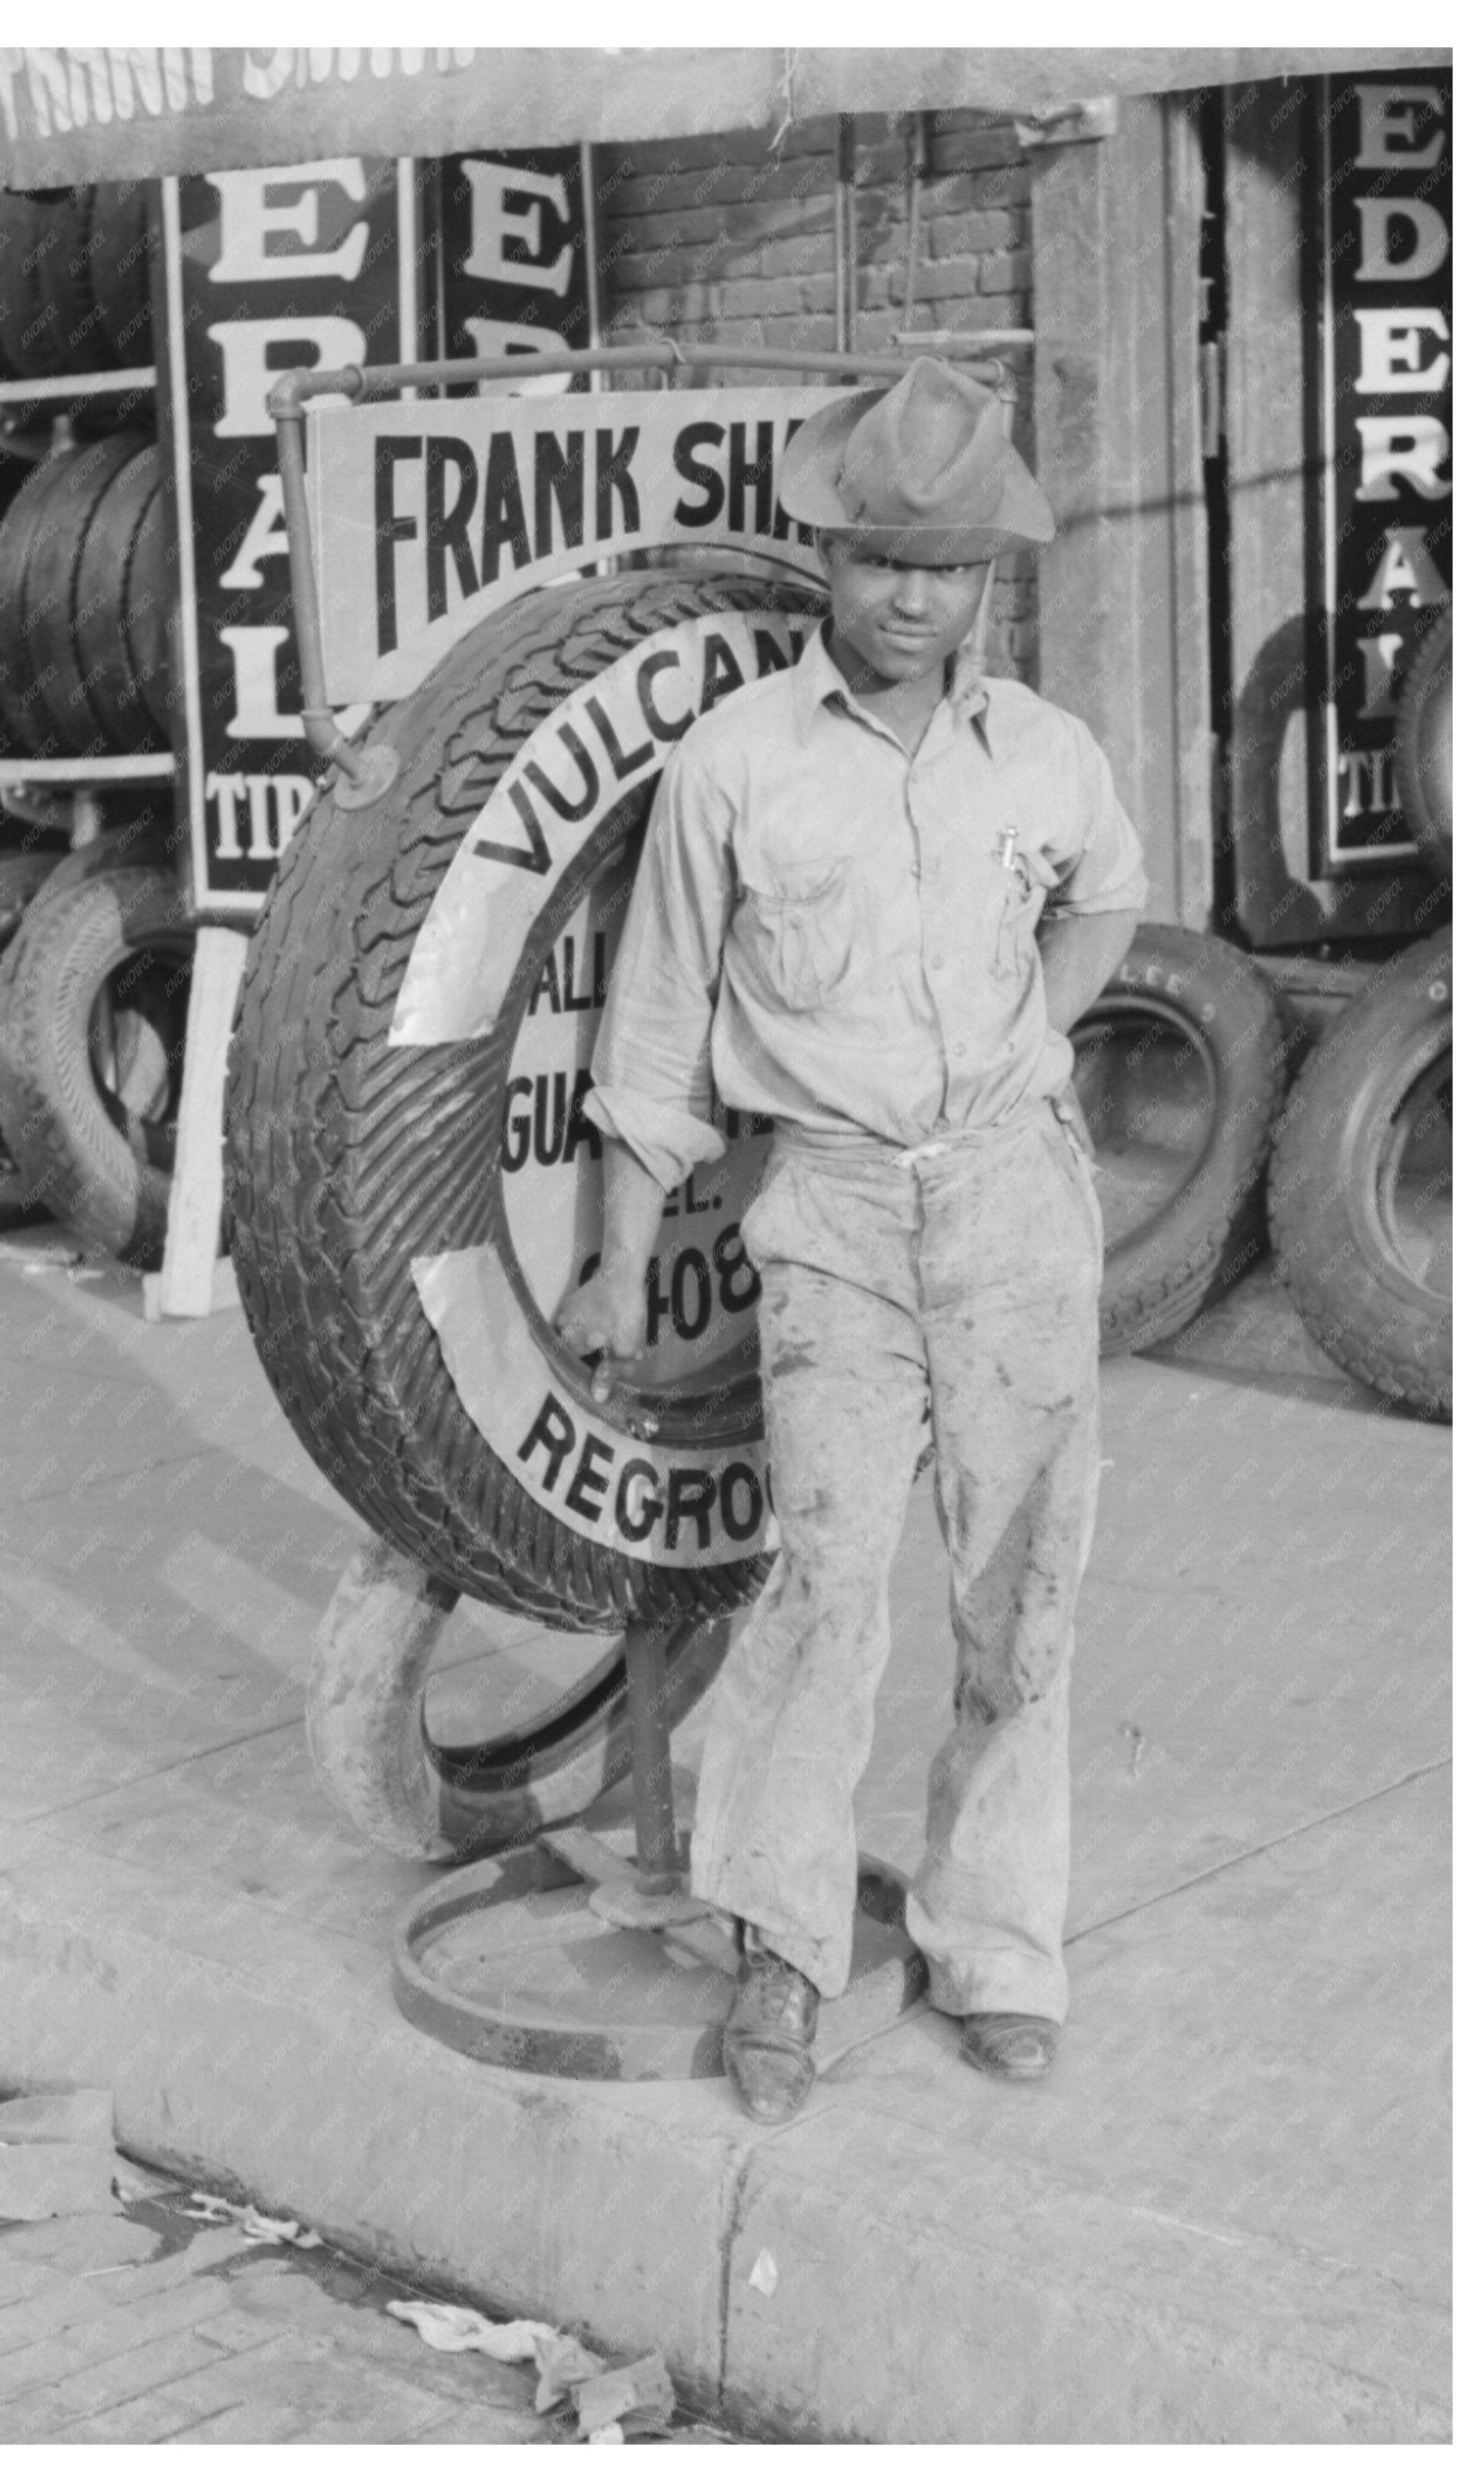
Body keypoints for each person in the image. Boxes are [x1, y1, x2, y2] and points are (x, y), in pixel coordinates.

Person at [554, 356, 1146, 2122]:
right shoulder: (732, 765)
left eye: (949, 565)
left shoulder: (1043, 750)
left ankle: (993, 1950)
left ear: (990, 577)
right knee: (820, 1586)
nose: (913, 595)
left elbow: (1106, 889)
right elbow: (651, 1045)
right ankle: (781, 1950)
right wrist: (612, 1251)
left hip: (1014, 1203)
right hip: (822, 1213)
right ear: (826, 555)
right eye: (883, 558)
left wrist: (1037, 1029)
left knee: (1018, 1586)